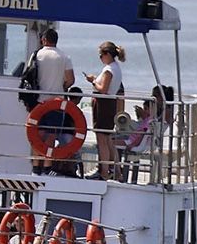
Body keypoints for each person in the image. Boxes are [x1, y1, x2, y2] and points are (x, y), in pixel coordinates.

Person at [28, 27, 75, 174]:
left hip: (39, 101)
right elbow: (71, 80)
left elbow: (29, 76)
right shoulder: (65, 57)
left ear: (44, 40)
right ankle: (47, 166)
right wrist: (62, 87)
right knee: (52, 134)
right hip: (56, 101)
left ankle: (36, 165)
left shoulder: (36, 55)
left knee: (38, 134)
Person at [84, 41, 126, 180]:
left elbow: (103, 89)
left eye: (101, 55)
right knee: (108, 140)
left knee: (102, 140)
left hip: (104, 105)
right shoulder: (115, 68)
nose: (100, 58)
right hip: (109, 104)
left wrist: (93, 80)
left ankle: (104, 172)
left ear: (107, 54)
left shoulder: (109, 69)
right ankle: (117, 171)